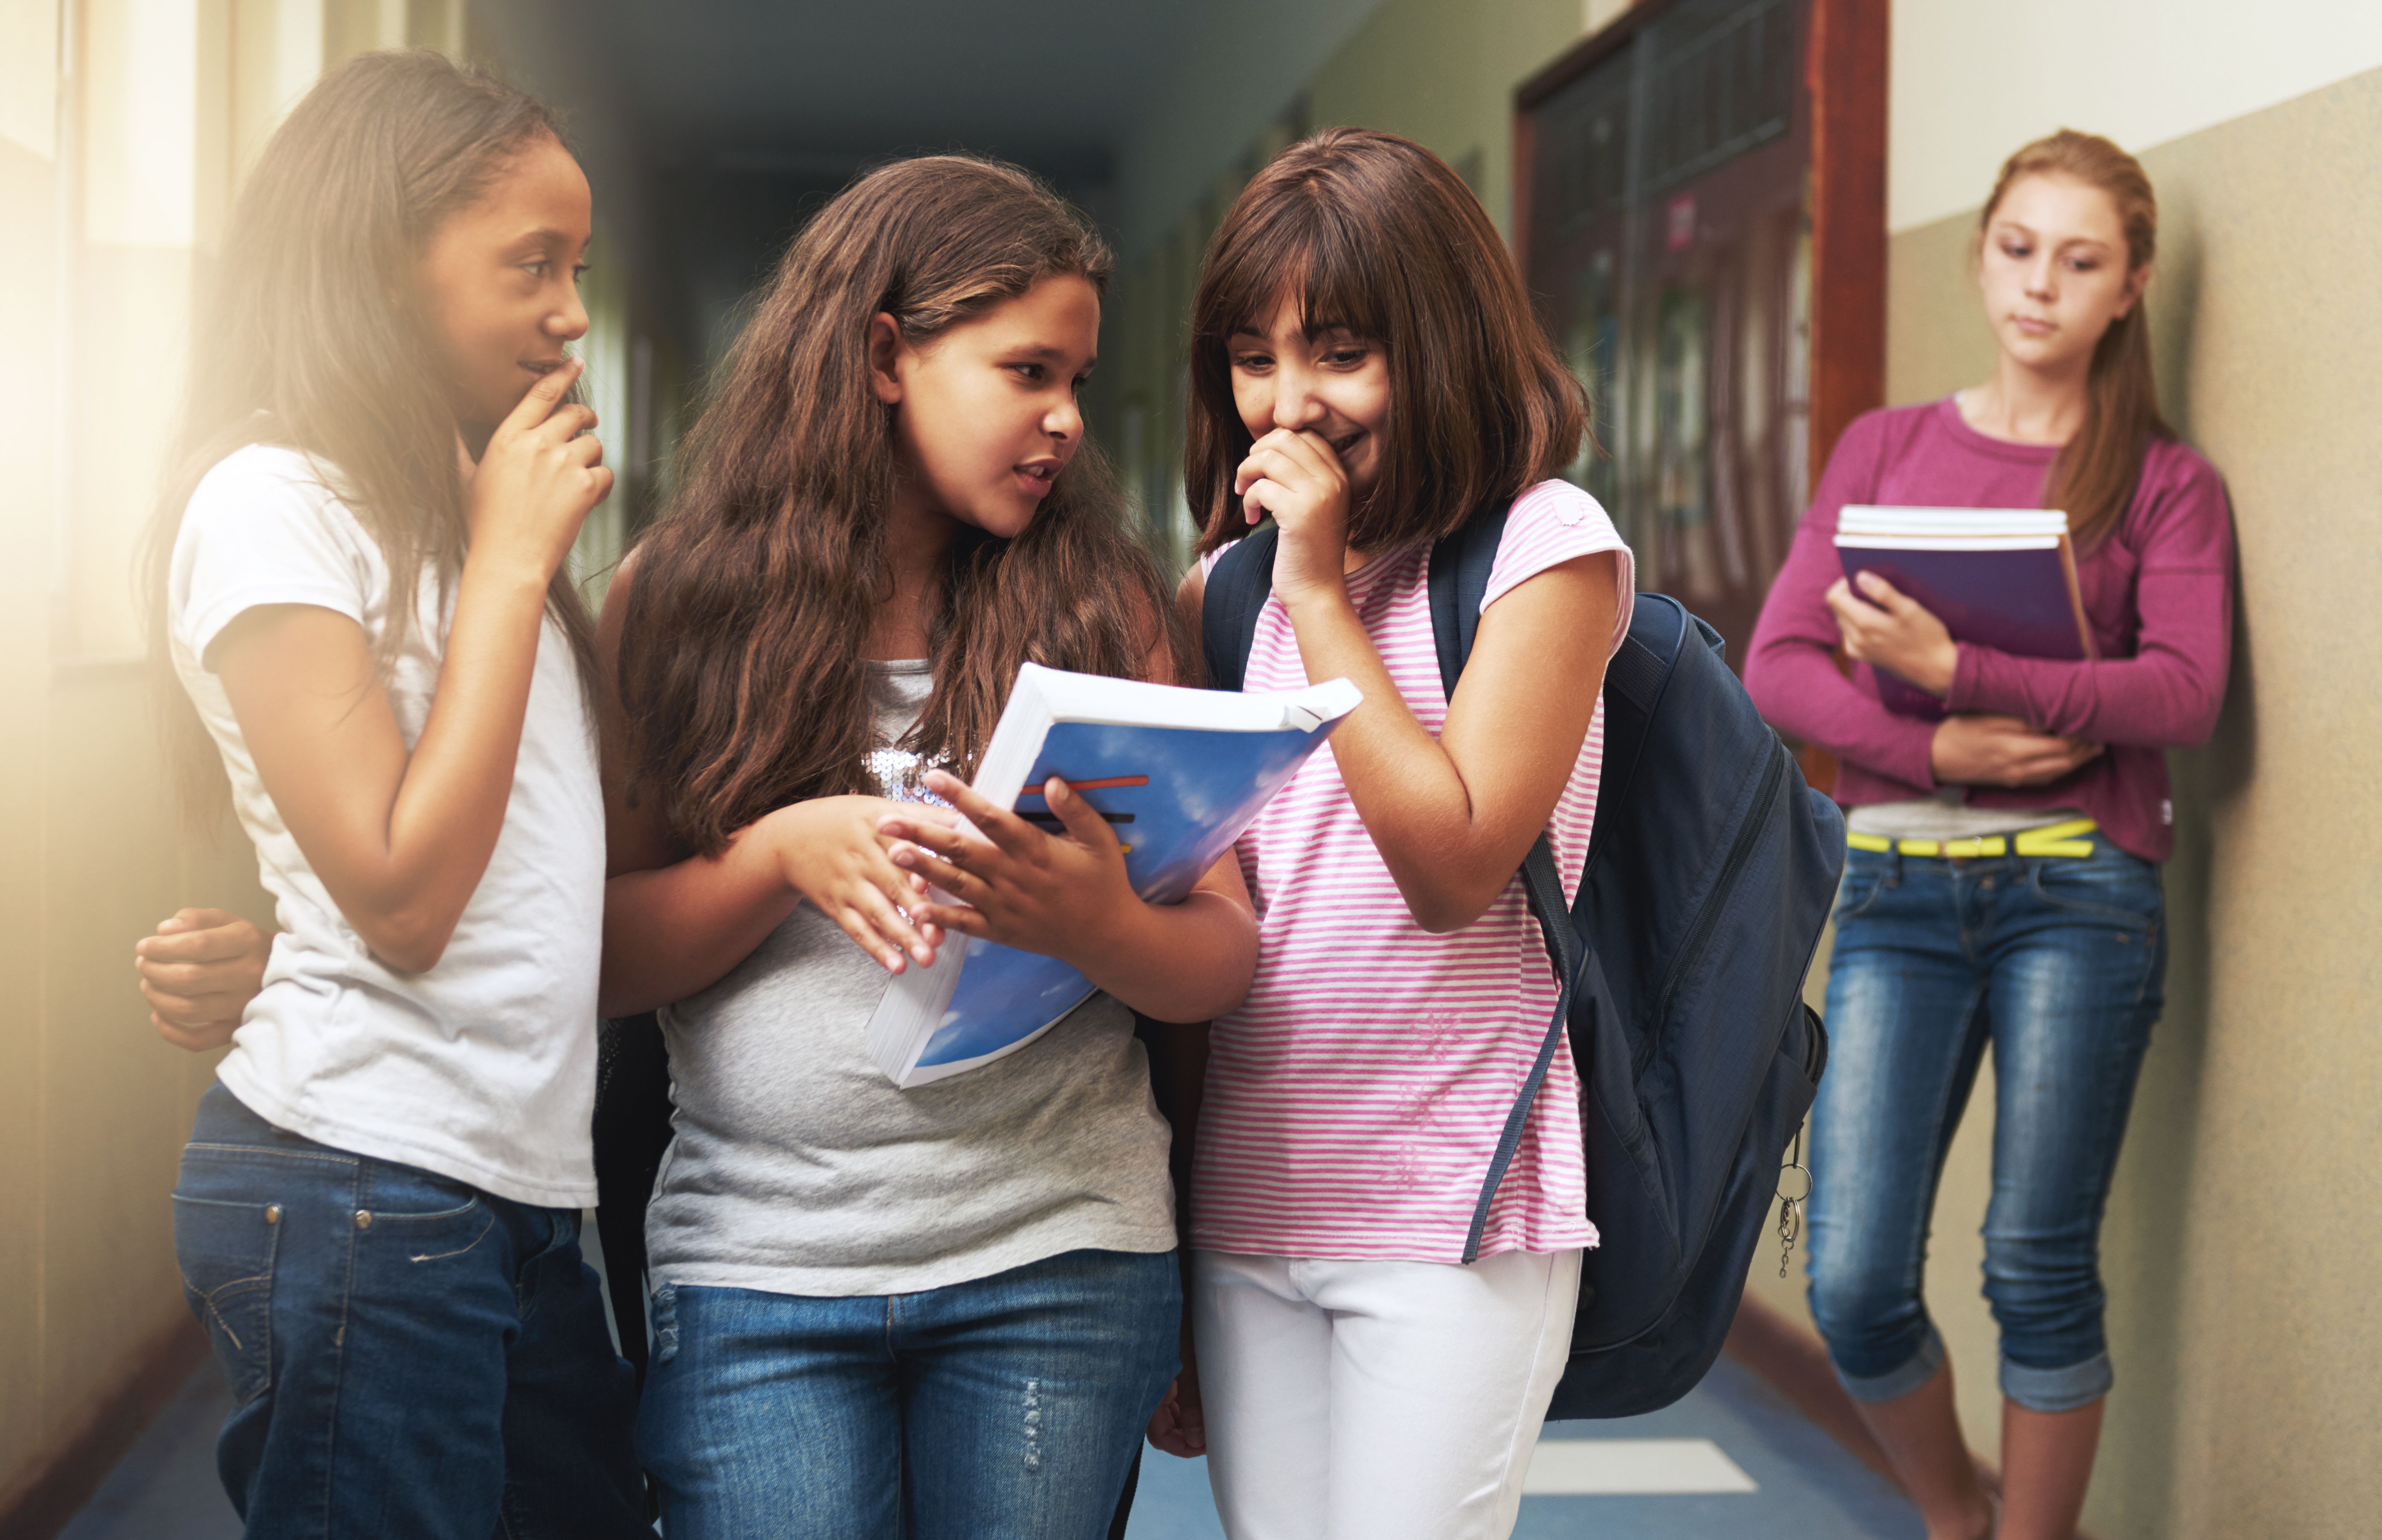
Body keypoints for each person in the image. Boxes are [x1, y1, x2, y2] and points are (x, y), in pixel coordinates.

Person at [594, 155, 1255, 1540]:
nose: (1065, 419)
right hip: (755, 1274)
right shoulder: (676, 598)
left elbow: (1220, 961)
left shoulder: (1101, 604)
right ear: (886, 354)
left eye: (1075, 380)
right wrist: (776, 851)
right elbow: (596, 954)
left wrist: (1094, 922)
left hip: (1057, 1258)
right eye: (1027, 372)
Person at [139, 49, 650, 1537]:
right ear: (382, 265)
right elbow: (407, 896)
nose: (569, 310)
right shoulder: (268, 503)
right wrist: (508, 562)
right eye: (532, 265)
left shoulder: (456, 510)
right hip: (365, 1180)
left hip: (504, 1196)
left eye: (581, 265)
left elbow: (533, 864)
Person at [1741, 129, 2233, 1540]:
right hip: (1898, 881)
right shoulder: (1886, 446)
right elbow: (1780, 664)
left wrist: (1968, 673)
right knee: (1850, 1278)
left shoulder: (2163, 483)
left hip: (2081, 895)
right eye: (2018, 251)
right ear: (1981, 256)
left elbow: (2182, 692)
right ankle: (1958, 1515)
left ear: (2129, 285)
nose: (2039, 287)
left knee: (2032, 1260)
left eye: (2079, 263)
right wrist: (1933, 741)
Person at [1152, 128, 1634, 1540]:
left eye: (1341, 350)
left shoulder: (1545, 547)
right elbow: (1210, 924)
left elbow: (1453, 863)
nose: (1288, 403)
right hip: (1248, 1197)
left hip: (1454, 1210)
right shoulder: (1217, 598)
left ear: (1442, 341)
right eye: (1253, 356)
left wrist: (1316, 593)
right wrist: (1174, 1236)